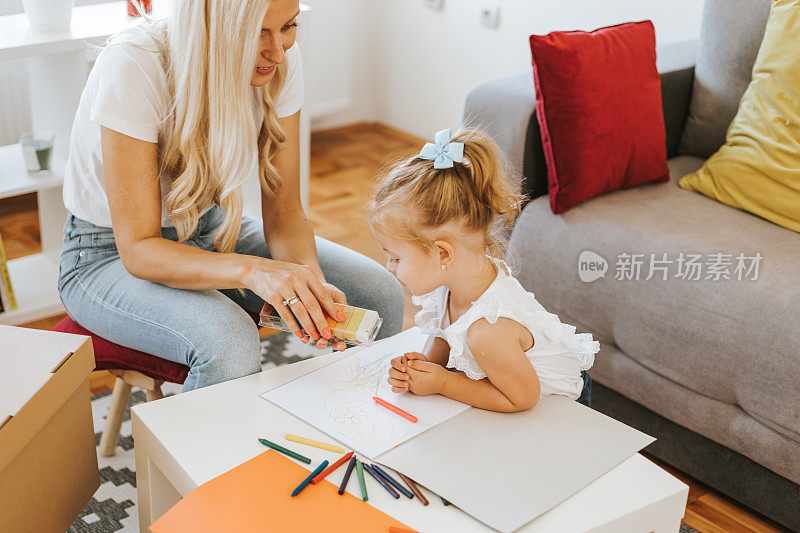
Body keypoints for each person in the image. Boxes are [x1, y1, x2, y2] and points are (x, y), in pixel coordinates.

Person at [57, 0, 403, 392]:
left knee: (379, 294)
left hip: (211, 230)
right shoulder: (136, 63)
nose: (278, 51)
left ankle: (363, 436)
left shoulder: (276, 61)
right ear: (212, 28)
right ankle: (215, 453)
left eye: (288, 26)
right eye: (257, 32)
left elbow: (285, 212)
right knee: (231, 341)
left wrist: (310, 286)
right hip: (106, 257)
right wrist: (253, 271)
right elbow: (139, 249)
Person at [367, 127, 598, 412]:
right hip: (506, 382)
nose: (389, 267)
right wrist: (423, 367)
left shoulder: (488, 330)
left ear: (442, 253)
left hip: (552, 404)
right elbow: (445, 335)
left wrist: (443, 383)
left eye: (395, 258)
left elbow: (521, 399)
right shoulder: (454, 282)